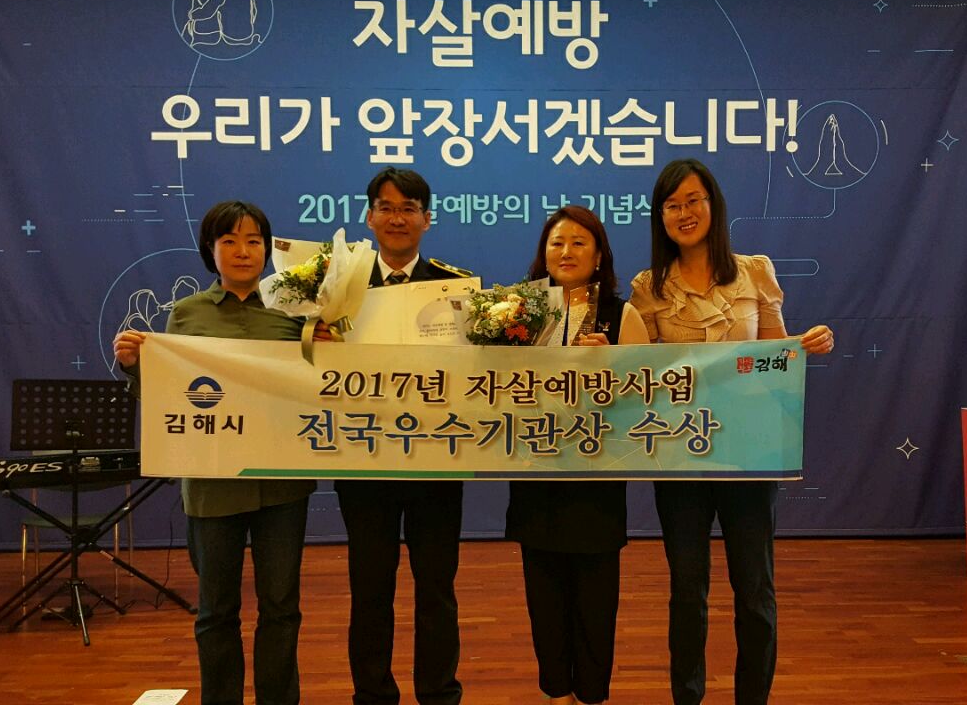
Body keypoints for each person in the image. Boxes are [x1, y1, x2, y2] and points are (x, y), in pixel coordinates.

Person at [628, 159, 835, 705]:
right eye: (672, 205)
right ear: (660, 217)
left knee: (755, 589)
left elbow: (773, 356)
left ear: (713, 205)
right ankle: (687, 696)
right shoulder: (649, 287)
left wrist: (804, 346)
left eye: (692, 200)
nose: (684, 212)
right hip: (681, 451)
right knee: (687, 590)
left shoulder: (753, 272)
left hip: (749, 450)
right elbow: (642, 371)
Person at [114, 201, 321, 705]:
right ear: (211, 250)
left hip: (282, 484)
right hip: (211, 488)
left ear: (268, 249)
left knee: (281, 608)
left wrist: (331, 344)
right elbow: (169, 394)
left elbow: (321, 385)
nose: (242, 251)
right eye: (229, 240)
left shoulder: (297, 313)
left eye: (253, 240)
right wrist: (136, 366)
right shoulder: (187, 314)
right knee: (216, 611)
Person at [338, 167, 472, 705]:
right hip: (363, 457)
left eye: (409, 208)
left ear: (427, 219)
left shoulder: (454, 287)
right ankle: (372, 695)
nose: (397, 218)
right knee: (370, 589)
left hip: (435, 459)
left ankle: (439, 693)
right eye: (387, 207)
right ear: (369, 217)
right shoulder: (337, 290)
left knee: (437, 588)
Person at [505, 206, 648, 705]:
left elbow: (645, 398)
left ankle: (591, 695)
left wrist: (611, 368)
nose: (566, 252)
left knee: (595, 603)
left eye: (579, 242)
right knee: (543, 601)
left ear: (599, 254)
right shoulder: (516, 314)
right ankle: (554, 693)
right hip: (536, 474)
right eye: (557, 242)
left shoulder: (622, 315)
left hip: (596, 481)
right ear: (543, 254)